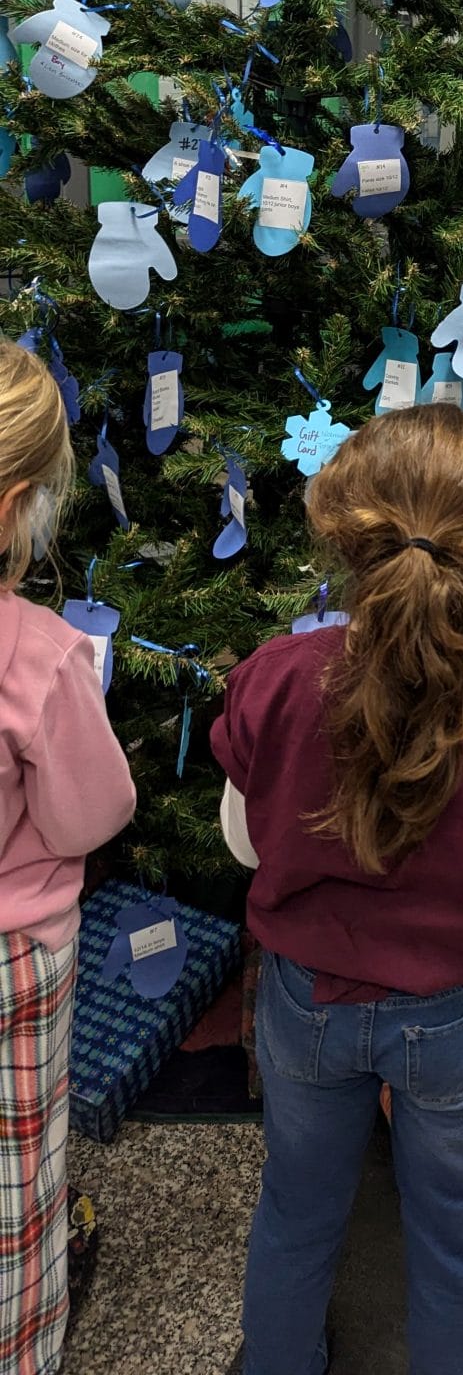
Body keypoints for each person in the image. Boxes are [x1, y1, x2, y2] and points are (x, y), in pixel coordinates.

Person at [212, 405, 463, 1375]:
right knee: (456, 1228)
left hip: (306, 1003)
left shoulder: (273, 677)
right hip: (458, 1015)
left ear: (343, 535)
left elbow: (245, 845)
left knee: (296, 1210)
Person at [0, 341, 136, 1375]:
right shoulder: (38, 652)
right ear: (16, 504)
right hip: (15, 960)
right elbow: (92, 813)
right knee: (16, 1194)